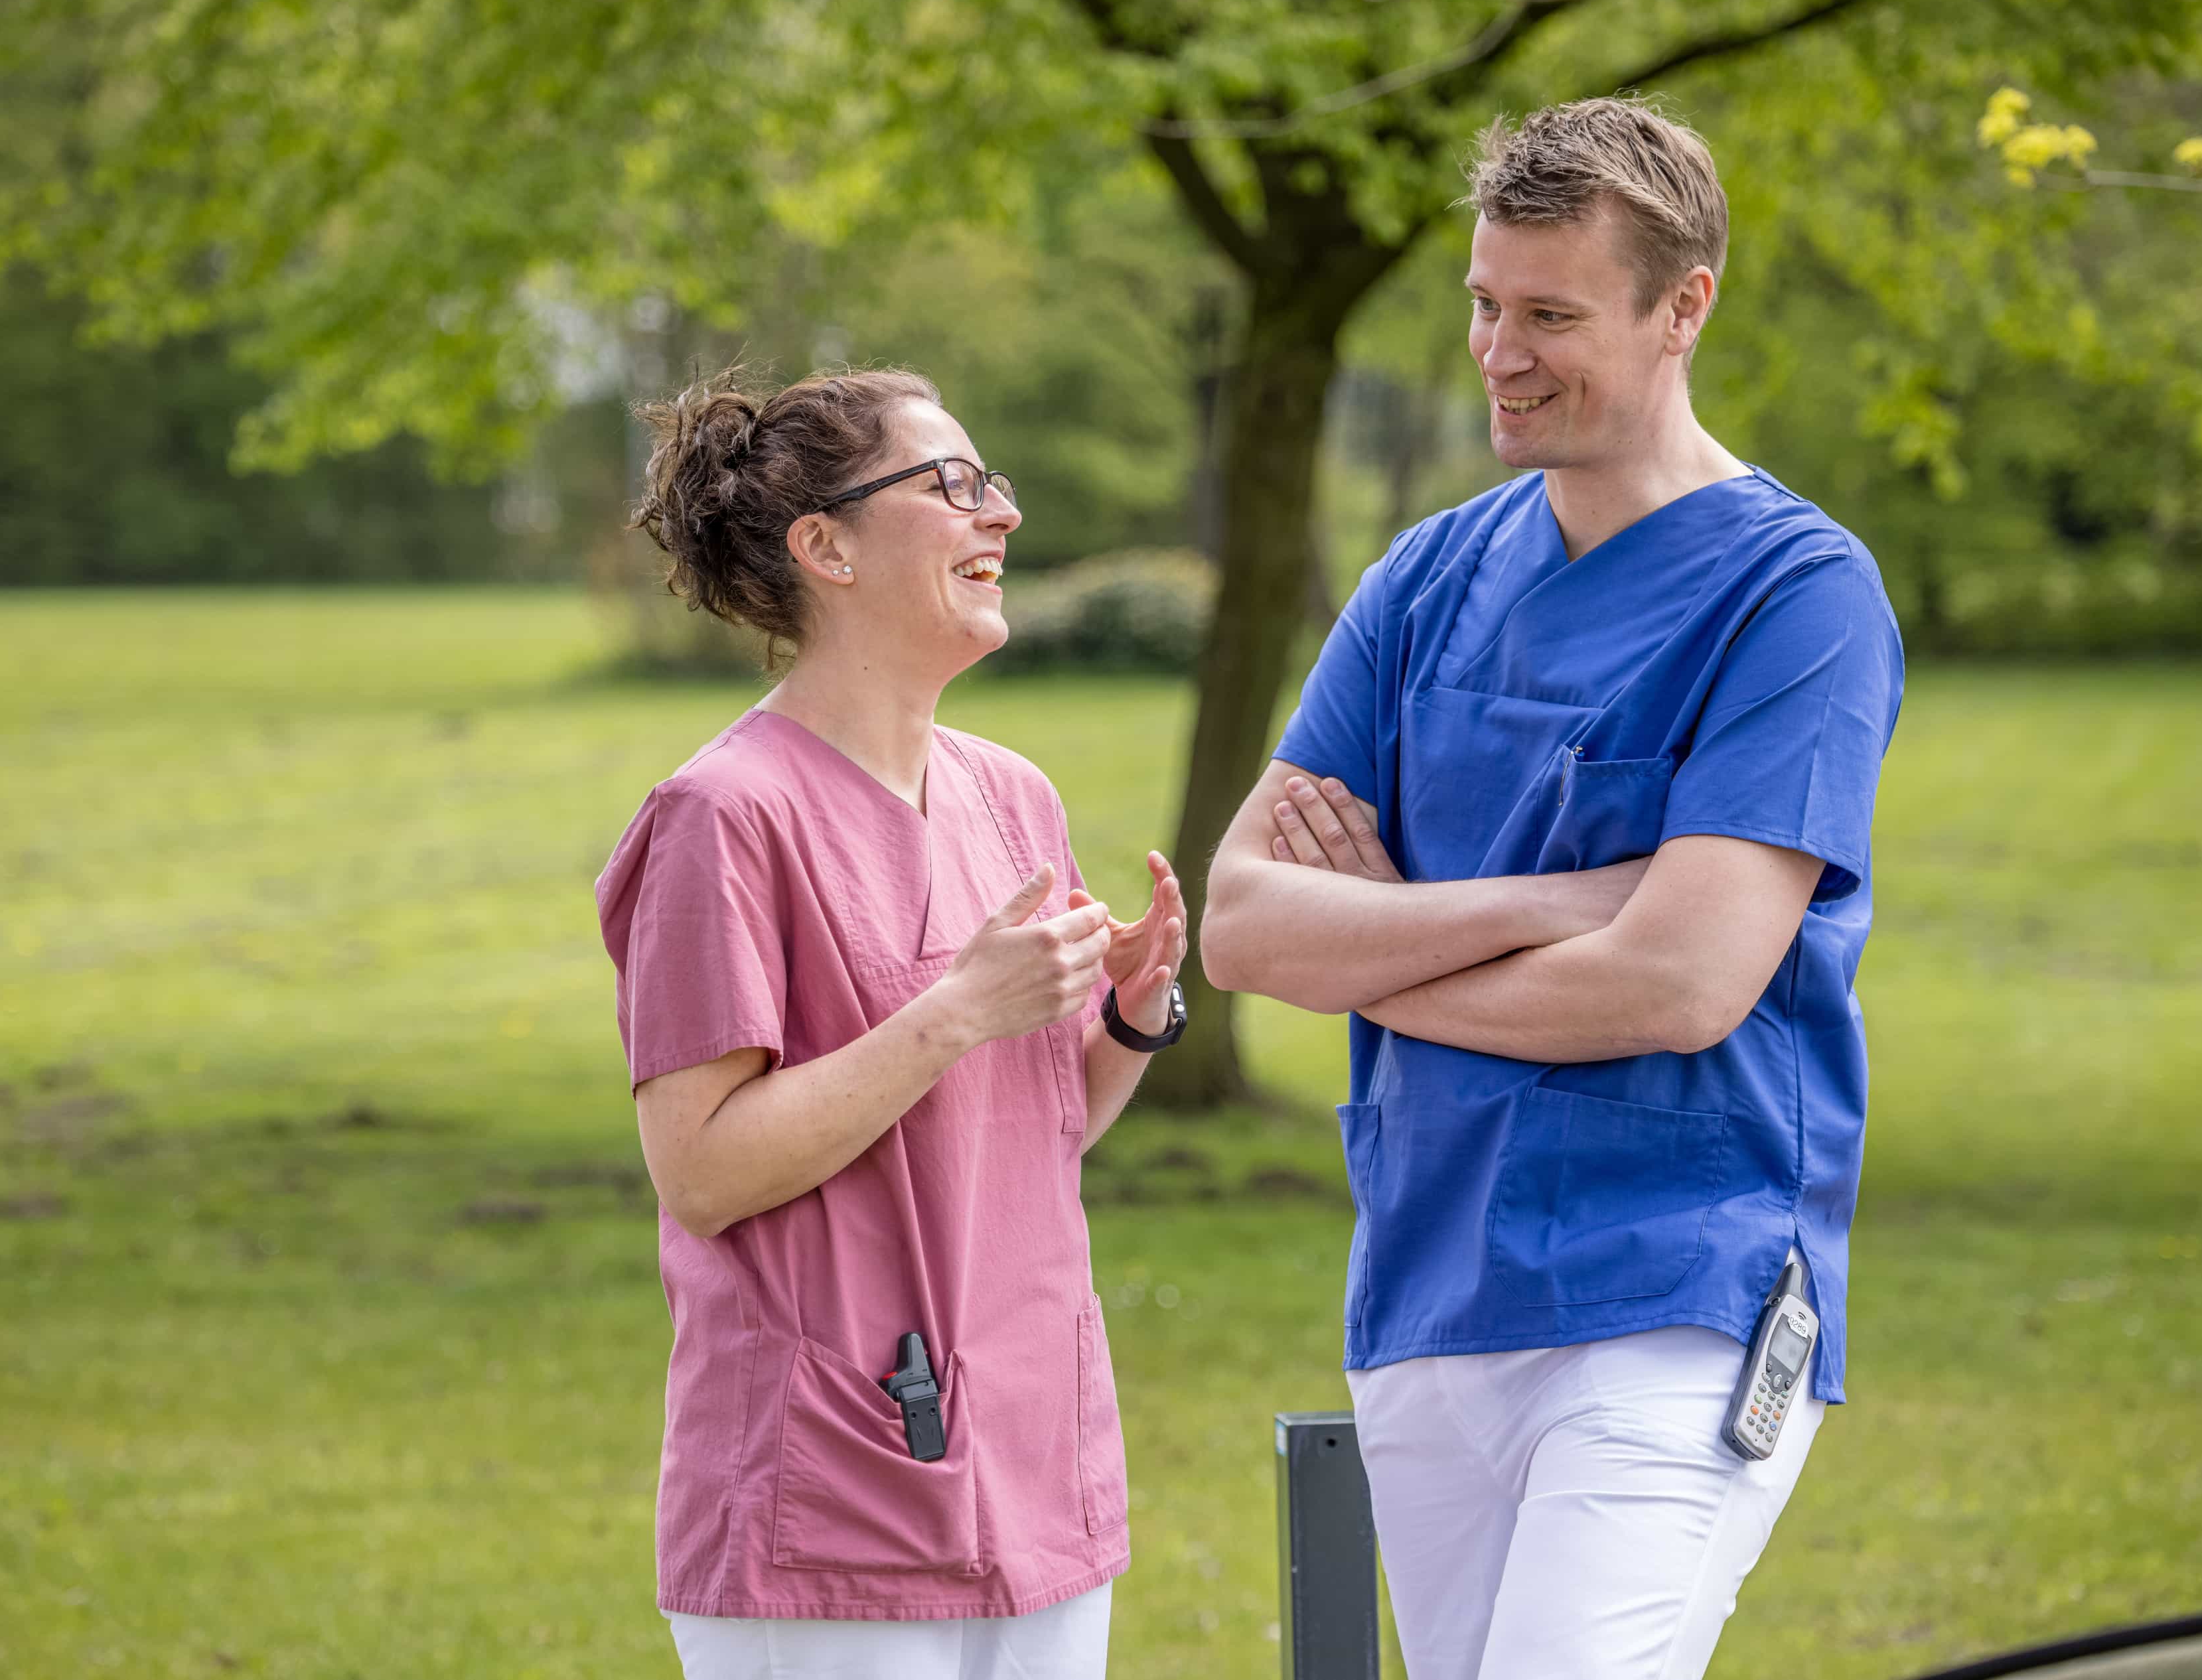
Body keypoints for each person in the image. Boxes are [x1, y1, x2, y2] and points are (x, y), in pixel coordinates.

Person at [1200, 97, 1904, 1679]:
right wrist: (1555, 901)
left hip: (1679, 1290)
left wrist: (1367, 951)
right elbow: (1241, 923)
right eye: (1482, 305)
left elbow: (1677, 985)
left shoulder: (1798, 598)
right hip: (1430, 1293)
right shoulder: (1427, 580)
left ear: (1684, 308)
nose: (1499, 353)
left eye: (1551, 316)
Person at [595, 365, 1189, 1679]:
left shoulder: (1013, 798)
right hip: (831, 1498)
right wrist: (955, 1012)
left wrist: (1130, 1020)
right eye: (956, 486)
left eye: (997, 484)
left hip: (1033, 1470)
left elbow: (1036, 1134)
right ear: (828, 548)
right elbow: (701, 1170)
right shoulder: (723, 818)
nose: (1005, 516)